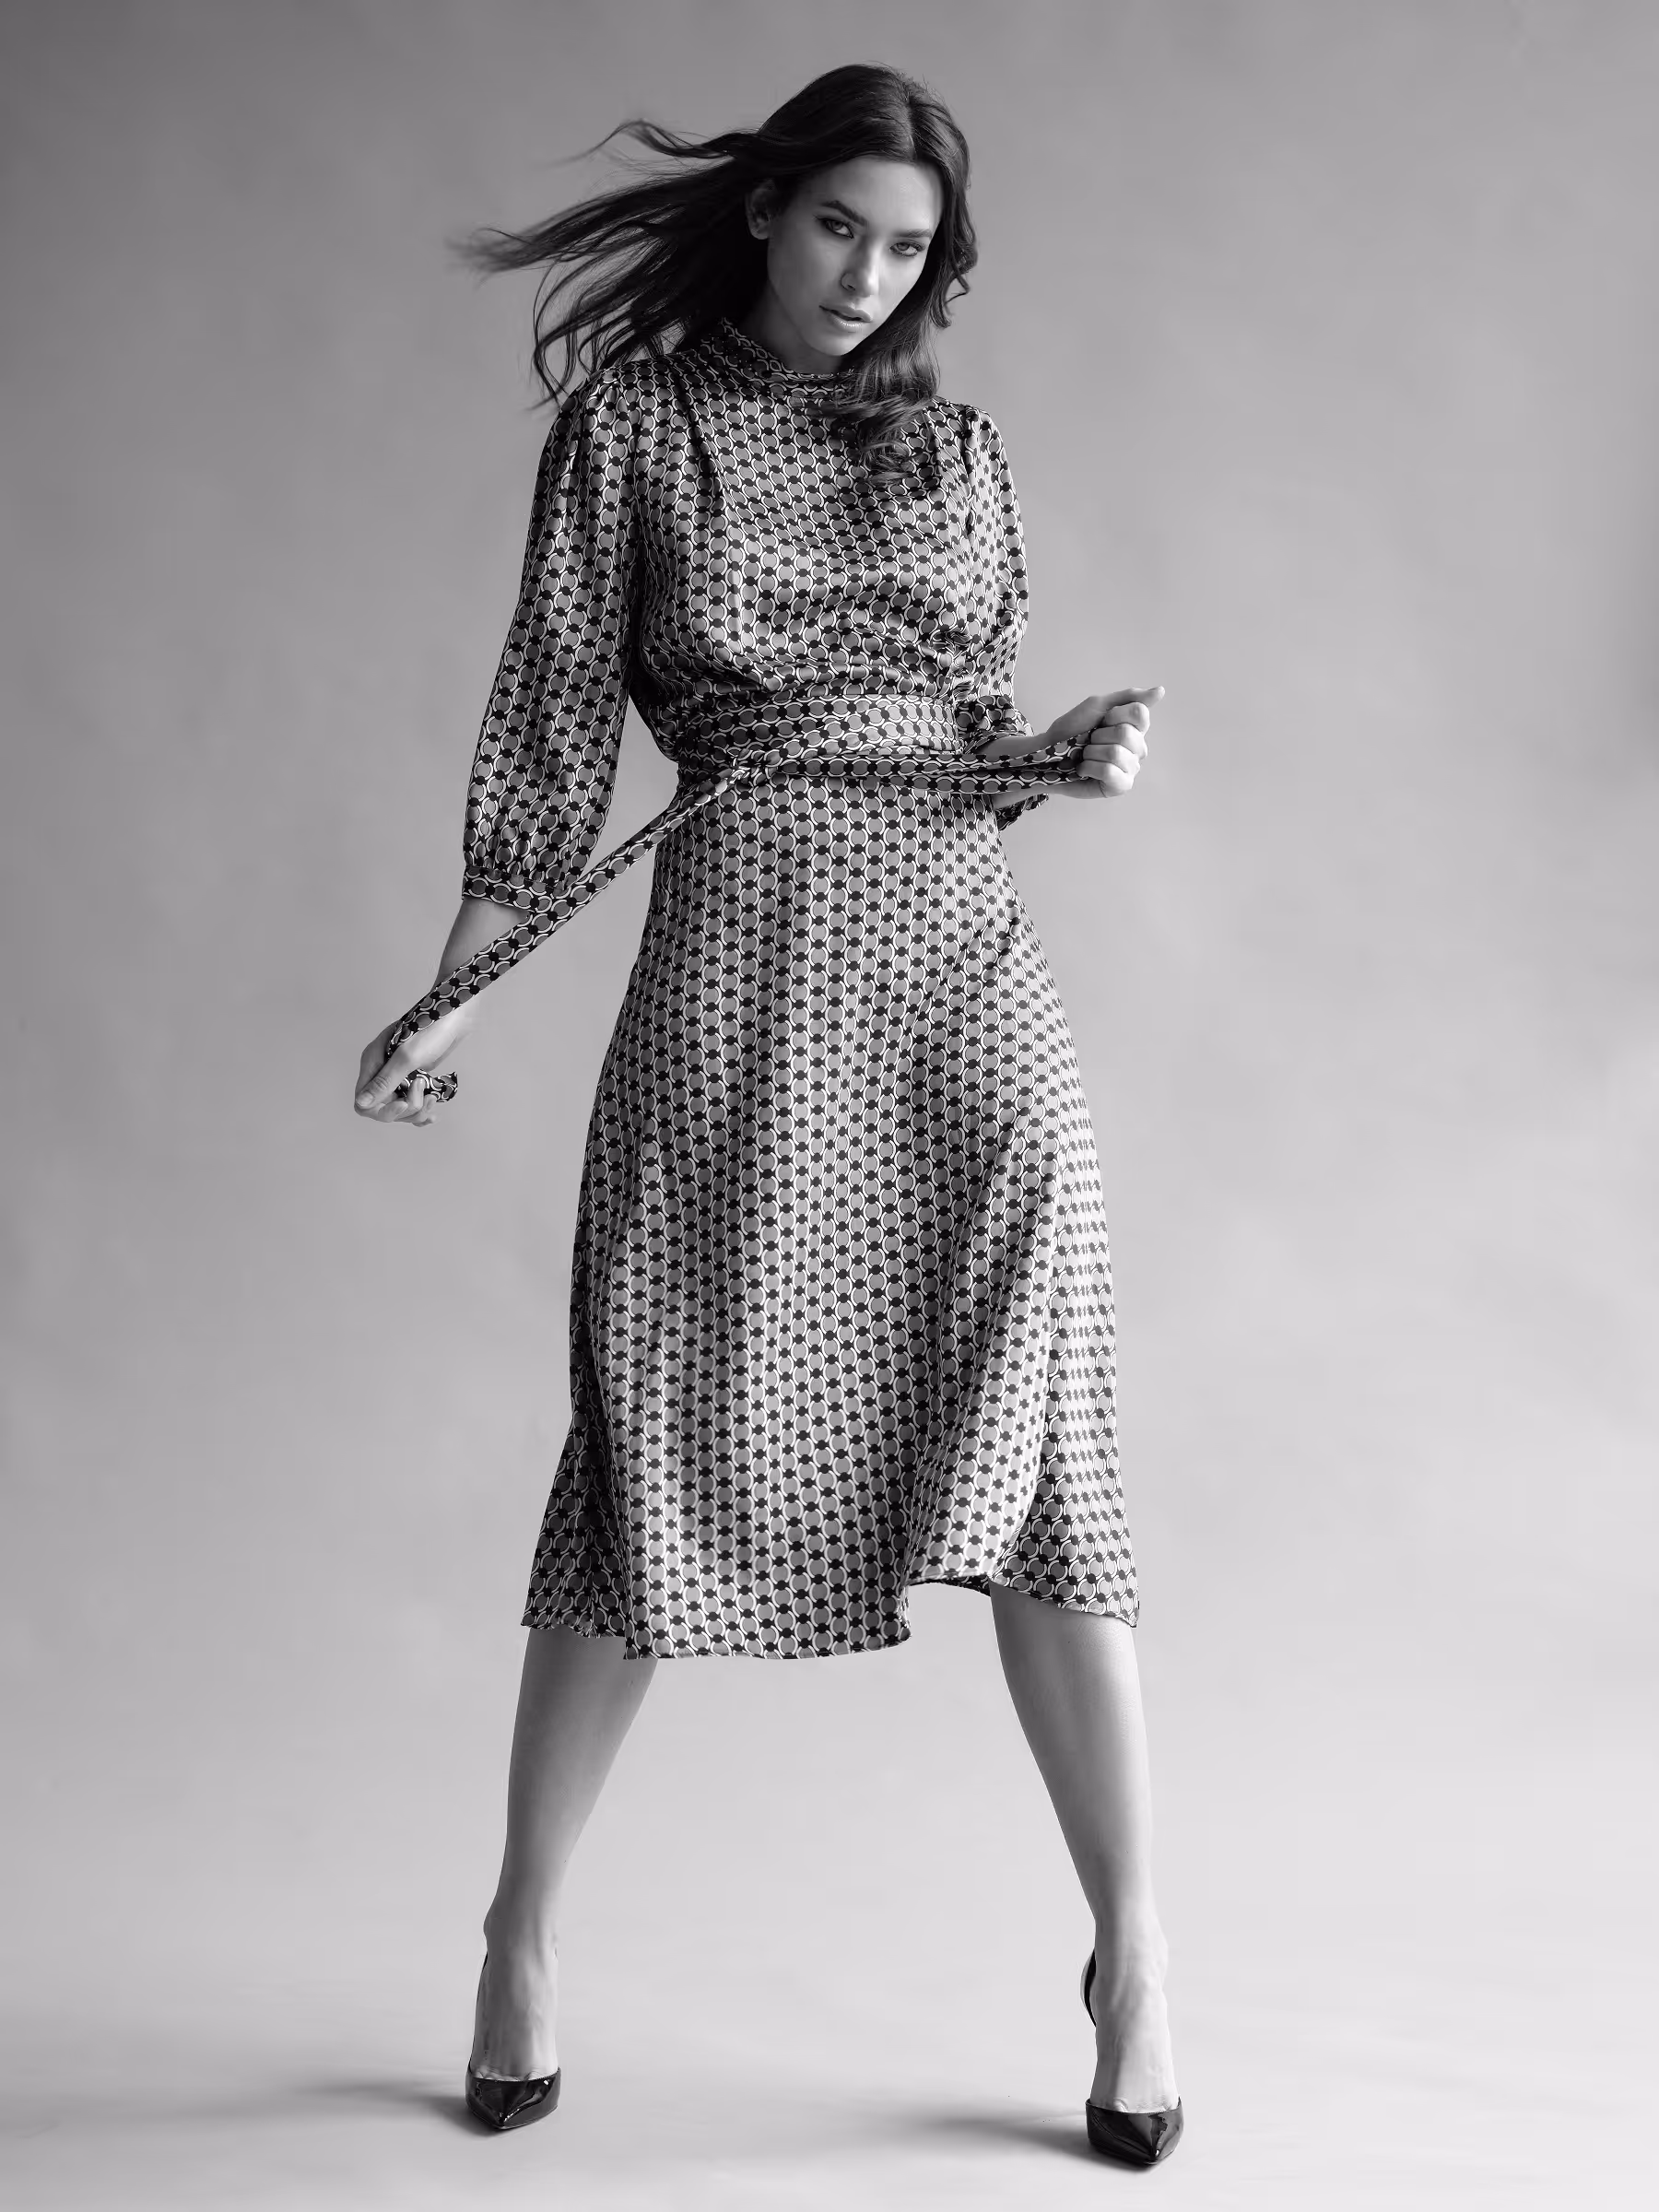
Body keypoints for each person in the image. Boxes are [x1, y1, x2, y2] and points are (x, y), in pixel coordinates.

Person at [353, 62, 1182, 2169]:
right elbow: (554, 730)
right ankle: (521, 1932)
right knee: (651, 1433)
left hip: (964, 983)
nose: (867, 276)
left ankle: (1137, 1953)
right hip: (739, 978)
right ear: (765, 209)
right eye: (838, 227)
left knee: (1048, 1444)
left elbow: (966, 740)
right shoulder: (636, 430)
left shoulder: (954, 447)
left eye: (907, 250)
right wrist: (454, 992)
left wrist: (1061, 757)